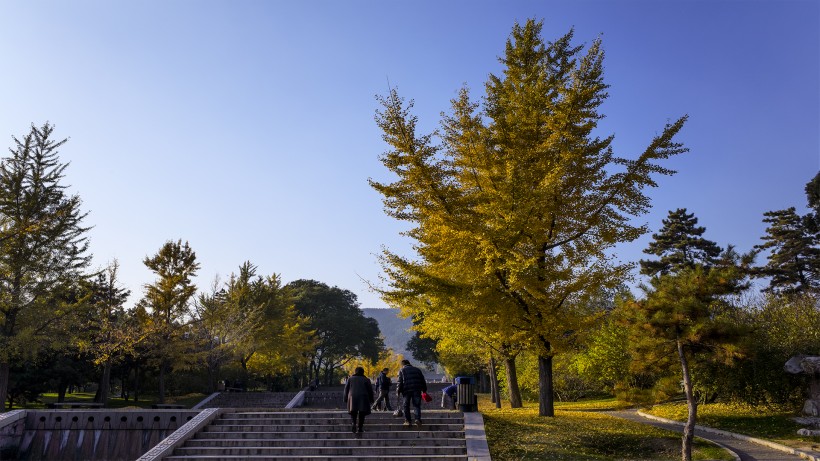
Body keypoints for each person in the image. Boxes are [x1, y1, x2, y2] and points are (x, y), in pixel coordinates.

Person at [343, 366, 374, 434]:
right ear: (363, 372)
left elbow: (346, 389)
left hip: (352, 397)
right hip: (363, 397)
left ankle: (353, 423)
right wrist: (371, 399)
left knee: (353, 412)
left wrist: (345, 398)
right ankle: (360, 428)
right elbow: (370, 390)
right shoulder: (366, 379)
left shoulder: (350, 379)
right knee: (362, 413)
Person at [396, 359, 427, 427]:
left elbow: (399, 382)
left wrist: (398, 391)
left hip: (406, 390)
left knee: (406, 406)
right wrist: (424, 390)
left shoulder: (402, 370)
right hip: (417, 389)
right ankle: (417, 419)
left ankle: (408, 421)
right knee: (416, 405)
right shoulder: (417, 370)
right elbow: (422, 380)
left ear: (403, 364)